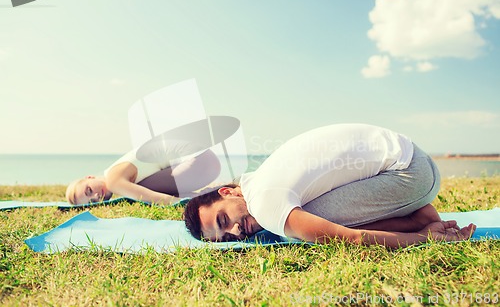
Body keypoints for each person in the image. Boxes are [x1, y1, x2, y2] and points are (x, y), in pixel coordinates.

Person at [183, 123, 476, 248]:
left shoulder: (263, 202)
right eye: (226, 237)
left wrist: (425, 239)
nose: (236, 231)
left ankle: (417, 220)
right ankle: (415, 213)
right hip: (411, 161)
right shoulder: (262, 176)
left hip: (410, 173)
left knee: (305, 229)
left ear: (228, 191)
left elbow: (352, 239)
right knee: (302, 218)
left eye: (224, 219)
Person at [66, 148, 221, 205]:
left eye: (88, 190)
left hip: (201, 162)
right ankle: (213, 192)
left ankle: (208, 194)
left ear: (90, 177)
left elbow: (154, 198)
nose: (96, 195)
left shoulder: (113, 180)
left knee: (142, 191)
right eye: (92, 201)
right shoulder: (113, 170)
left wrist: (181, 204)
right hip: (205, 160)